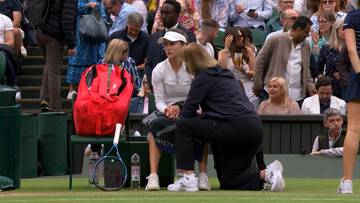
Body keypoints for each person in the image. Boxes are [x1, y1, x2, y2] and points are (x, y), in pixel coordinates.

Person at [168, 43, 285, 192]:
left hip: (234, 128)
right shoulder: (226, 76)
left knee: (183, 125)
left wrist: (188, 113)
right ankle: (267, 175)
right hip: (254, 128)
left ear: (191, 62)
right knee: (229, 181)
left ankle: (188, 178)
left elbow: (188, 113)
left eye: (185, 62)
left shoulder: (203, 76)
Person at [144, 29, 210, 191]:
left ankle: (202, 176)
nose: (168, 48)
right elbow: (159, 100)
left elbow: (201, 97)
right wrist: (166, 109)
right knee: (153, 130)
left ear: (183, 46)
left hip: (193, 112)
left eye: (173, 44)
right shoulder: (159, 70)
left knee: (203, 129)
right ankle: (153, 177)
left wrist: (185, 109)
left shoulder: (194, 68)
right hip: (168, 115)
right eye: (166, 44)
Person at [253, 16, 316, 105]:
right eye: (306, 32)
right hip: (273, 93)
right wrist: (258, 83)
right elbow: (260, 61)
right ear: (298, 30)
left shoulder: (306, 45)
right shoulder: (275, 39)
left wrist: (311, 88)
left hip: (297, 96)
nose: (308, 35)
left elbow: (306, 69)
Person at [144, 0, 196, 89]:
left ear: (177, 15)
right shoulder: (154, 37)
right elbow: (149, 63)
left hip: (179, 89)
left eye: (167, 13)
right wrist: (151, 83)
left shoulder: (187, 36)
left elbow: (190, 62)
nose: (163, 16)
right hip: (156, 88)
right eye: (162, 13)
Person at [37, 0, 77, 112]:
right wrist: (71, 44)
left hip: (40, 31)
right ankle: (55, 107)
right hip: (54, 36)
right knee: (54, 71)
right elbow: (67, 20)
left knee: (49, 65)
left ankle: (45, 99)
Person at [338, 4, 360, 194]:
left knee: (353, 129)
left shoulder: (353, 17)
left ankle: (347, 182)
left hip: (359, 77)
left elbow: (352, 51)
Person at [66, 0, 107, 100]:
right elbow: (75, 8)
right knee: (77, 58)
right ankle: (72, 89)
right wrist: (88, 5)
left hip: (96, 30)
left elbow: (103, 12)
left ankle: (92, 88)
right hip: (82, 30)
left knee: (95, 62)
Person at [218, 27, 258, 108]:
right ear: (231, 39)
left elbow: (253, 74)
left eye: (242, 36)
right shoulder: (222, 52)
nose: (242, 38)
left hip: (247, 85)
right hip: (230, 86)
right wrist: (226, 48)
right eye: (239, 37)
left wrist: (241, 69)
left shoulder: (247, 51)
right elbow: (222, 72)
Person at [109, 12, 150, 80]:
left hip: (138, 73)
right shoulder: (115, 36)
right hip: (115, 72)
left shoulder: (146, 39)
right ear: (127, 24)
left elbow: (147, 63)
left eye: (137, 30)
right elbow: (108, 58)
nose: (133, 32)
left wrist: (132, 68)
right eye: (131, 29)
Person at [317, 17, 346, 97]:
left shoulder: (354, 48)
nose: (346, 32)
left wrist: (343, 74)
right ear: (336, 30)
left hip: (349, 87)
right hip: (330, 89)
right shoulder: (326, 48)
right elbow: (319, 69)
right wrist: (323, 80)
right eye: (343, 29)